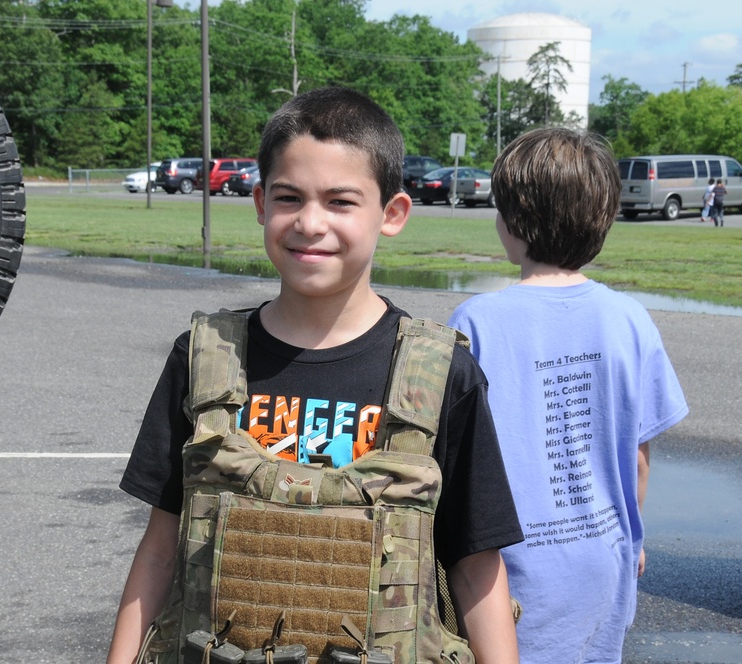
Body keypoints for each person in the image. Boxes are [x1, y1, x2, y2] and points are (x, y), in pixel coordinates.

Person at [108, 86, 522, 663]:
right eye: (288, 197)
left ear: (393, 213)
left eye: (341, 201)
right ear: (259, 204)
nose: (310, 222)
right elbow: (159, 548)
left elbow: (476, 564)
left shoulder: (441, 371)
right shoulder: (203, 358)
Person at [448, 127, 689, 664]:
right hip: (605, 563)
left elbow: (458, 464)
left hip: (507, 575)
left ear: (512, 221)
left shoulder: (477, 322)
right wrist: (634, 539)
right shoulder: (630, 319)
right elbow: (639, 461)